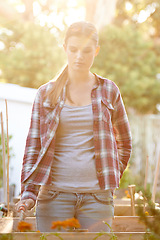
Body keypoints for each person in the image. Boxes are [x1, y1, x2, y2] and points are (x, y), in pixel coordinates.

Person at [16, 21, 132, 232]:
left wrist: (110, 175)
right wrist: (29, 193)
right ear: (65, 49)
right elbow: (33, 147)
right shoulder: (46, 93)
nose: (79, 56)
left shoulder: (109, 90)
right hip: (53, 197)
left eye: (86, 51)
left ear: (96, 51)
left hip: (97, 199)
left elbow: (124, 142)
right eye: (74, 49)